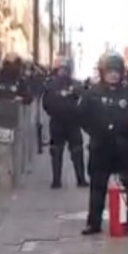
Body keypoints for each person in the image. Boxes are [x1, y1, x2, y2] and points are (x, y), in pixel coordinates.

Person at [78, 53, 128, 235]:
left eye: (116, 72)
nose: (113, 75)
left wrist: (124, 129)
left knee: (126, 184)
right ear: (103, 73)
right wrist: (97, 131)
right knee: (97, 185)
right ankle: (93, 222)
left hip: (122, 145)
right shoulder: (92, 93)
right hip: (100, 145)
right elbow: (83, 116)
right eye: (109, 72)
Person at [42, 58, 87, 189]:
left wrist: (78, 113)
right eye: (61, 69)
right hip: (57, 122)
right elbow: (46, 103)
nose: (63, 72)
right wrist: (54, 113)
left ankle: (81, 179)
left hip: (73, 123)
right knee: (56, 151)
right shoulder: (51, 85)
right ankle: (56, 180)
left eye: (66, 69)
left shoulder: (77, 85)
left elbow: (83, 100)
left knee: (77, 151)